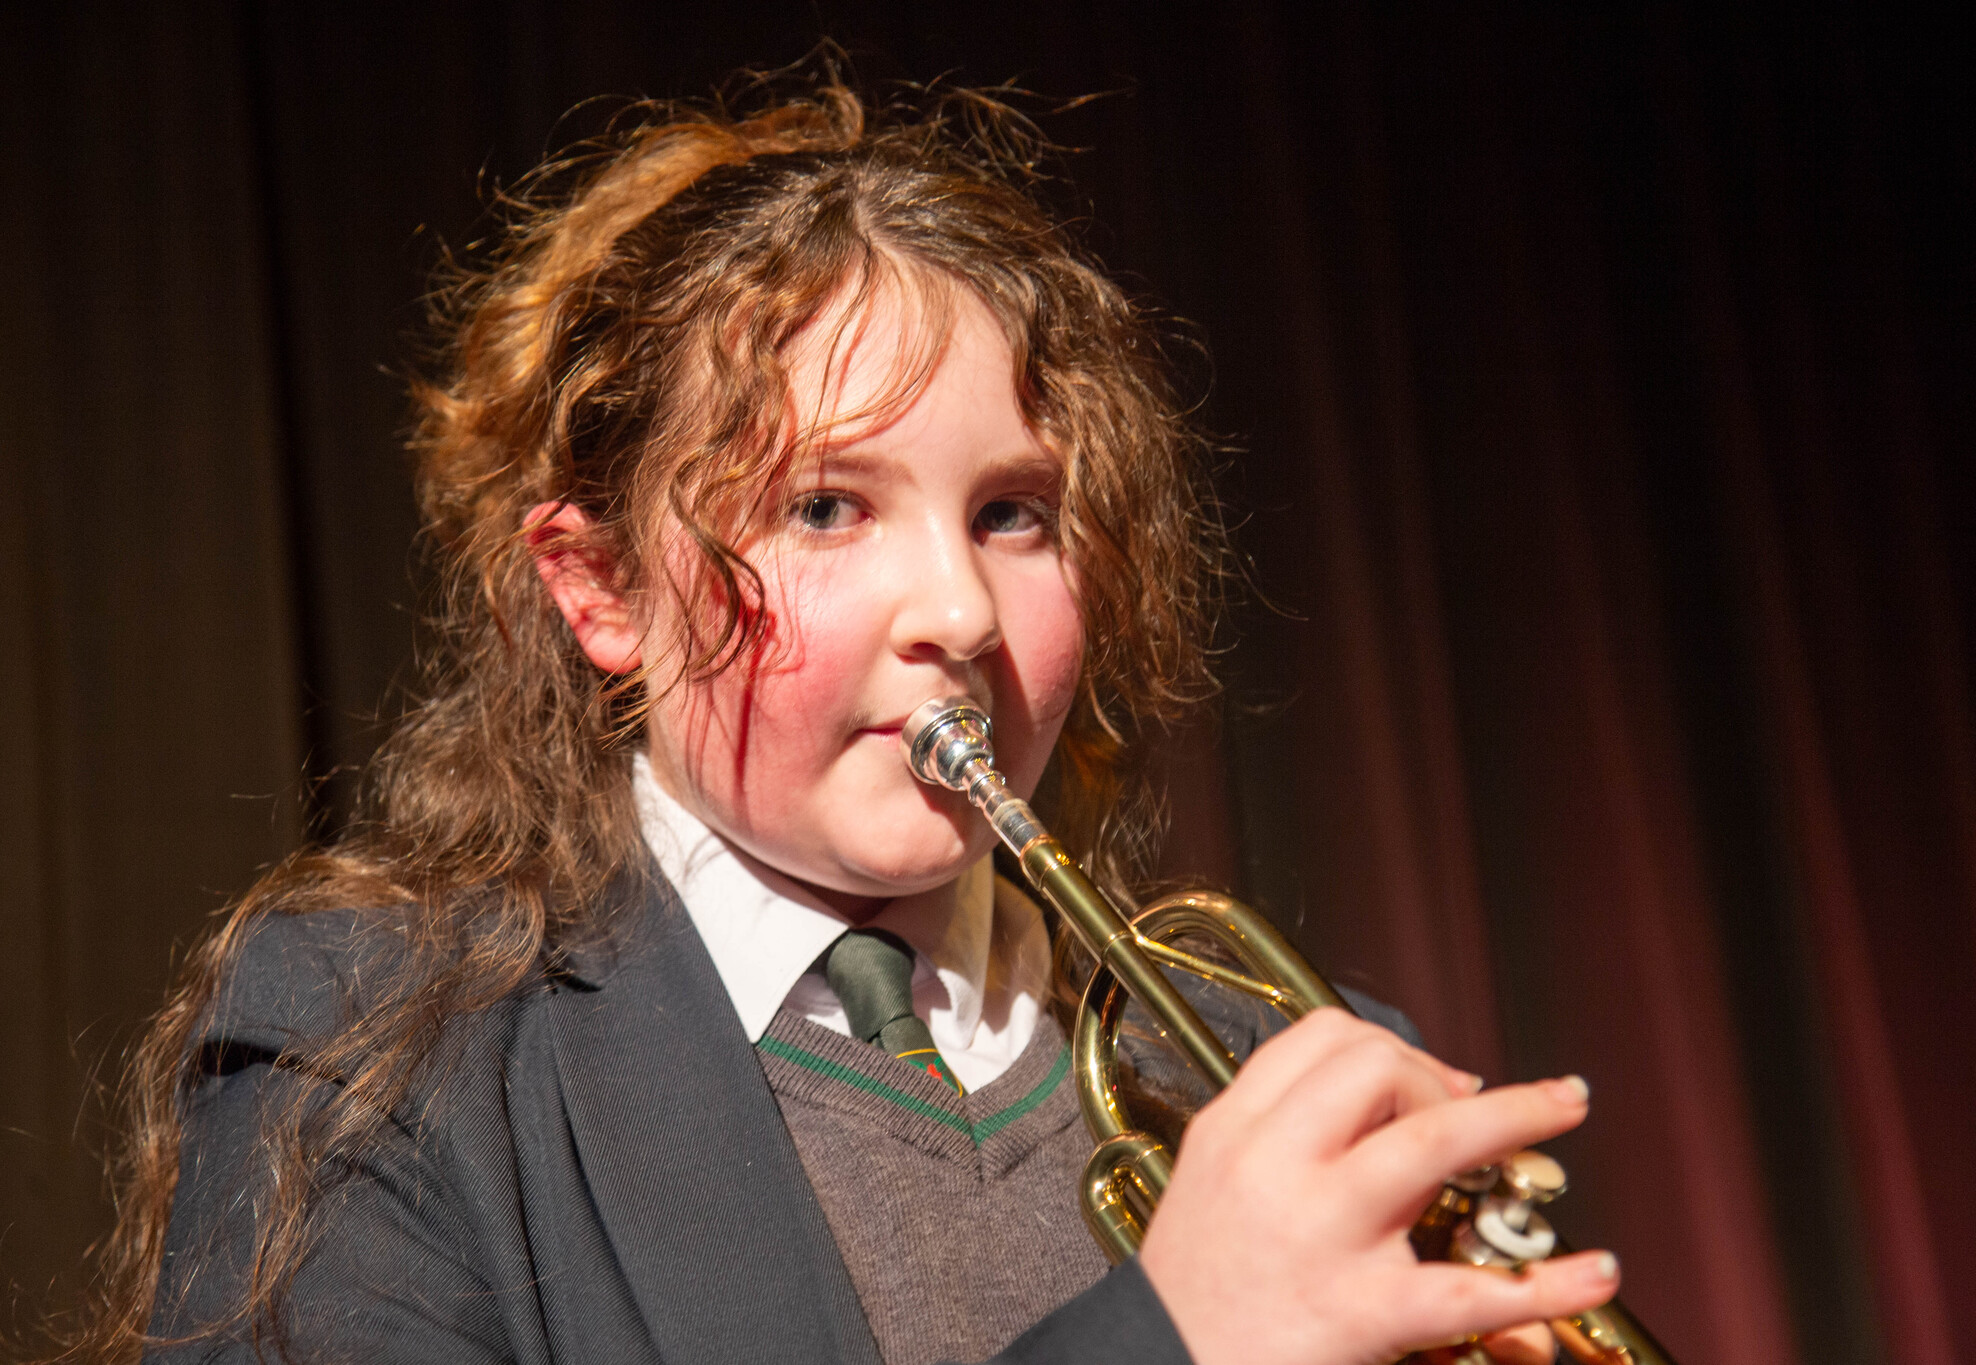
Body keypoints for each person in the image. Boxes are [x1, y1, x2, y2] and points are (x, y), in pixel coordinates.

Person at [70, 74, 1619, 1365]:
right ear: (601, 588)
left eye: (1014, 512)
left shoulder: (1275, 1065)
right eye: (825, 505)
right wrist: (1173, 1337)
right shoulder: (371, 1054)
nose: (958, 606)